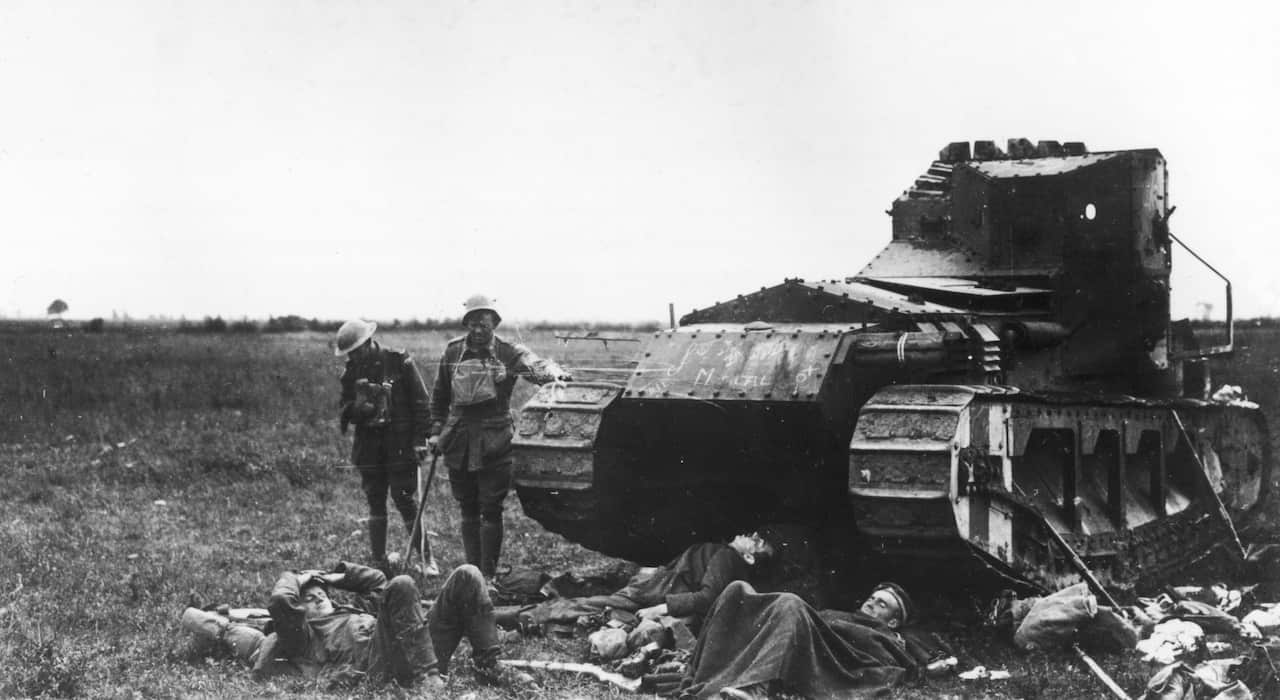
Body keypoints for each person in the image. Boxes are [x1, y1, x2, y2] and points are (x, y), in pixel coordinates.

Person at [180, 562, 531, 690]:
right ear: (301, 613)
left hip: (418, 646)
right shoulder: (304, 636)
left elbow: (377, 581)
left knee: (467, 575)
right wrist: (296, 576)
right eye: (308, 598)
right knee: (403, 585)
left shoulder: (349, 610)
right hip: (384, 664)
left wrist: (336, 575)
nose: (317, 596)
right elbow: (281, 604)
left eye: (320, 592)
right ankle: (428, 682)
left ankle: (489, 663)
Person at [427, 294, 566, 578]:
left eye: (484, 324)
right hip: (459, 440)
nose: (478, 330)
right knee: (467, 506)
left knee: (490, 508)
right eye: (473, 324)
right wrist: (435, 431)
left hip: (495, 442)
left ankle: (487, 576)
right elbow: (439, 396)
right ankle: (472, 573)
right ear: (466, 323)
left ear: (495, 323)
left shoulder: (509, 352)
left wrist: (555, 375)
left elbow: (536, 367)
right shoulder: (453, 352)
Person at [682, 580, 938, 699]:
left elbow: (889, 661)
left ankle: (756, 689)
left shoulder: (886, 635)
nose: (871, 603)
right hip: (804, 638)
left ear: (892, 622)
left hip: (825, 654)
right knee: (737, 589)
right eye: (872, 598)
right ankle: (708, 677)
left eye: (882, 604)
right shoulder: (838, 615)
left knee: (791, 603)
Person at [515, 532, 779, 633]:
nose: (753, 535)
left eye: (757, 542)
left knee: (590, 605)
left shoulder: (728, 556)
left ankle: (518, 616)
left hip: (661, 592)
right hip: (661, 586)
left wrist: (661, 607)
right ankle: (528, 614)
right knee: (595, 604)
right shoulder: (728, 557)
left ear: (749, 558)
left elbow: (706, 597)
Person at [334, 319, 431, 568]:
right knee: (375, 501)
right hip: (369, 447)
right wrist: (359, 408)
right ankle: (379, 560)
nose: (353, 357)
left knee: (404, 499)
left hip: (400, 444)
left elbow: (421, 401)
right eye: (349, 354)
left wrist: (420, 440)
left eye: (356, 351)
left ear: (368, 342)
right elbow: (345, 409)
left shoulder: (397, 361)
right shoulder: (350, 372)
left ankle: (426, 559)